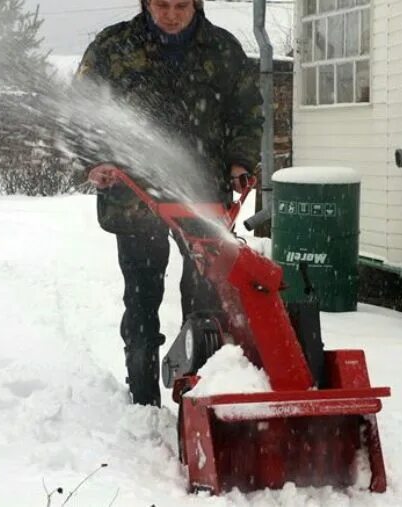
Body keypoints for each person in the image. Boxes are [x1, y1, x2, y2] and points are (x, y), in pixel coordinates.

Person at [76, 0, 263, 407]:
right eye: (162, 4)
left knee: (205, 298)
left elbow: (247, 112)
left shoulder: (223, 49)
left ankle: (200, 392)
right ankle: (143, 395)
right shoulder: (114, 47)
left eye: (181, 4)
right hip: (133, 196)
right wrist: (96, 161)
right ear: (146, 2)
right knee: (142, 298)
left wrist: (240, 160)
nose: (172, 14)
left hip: (203, 198)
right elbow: (83, 111)